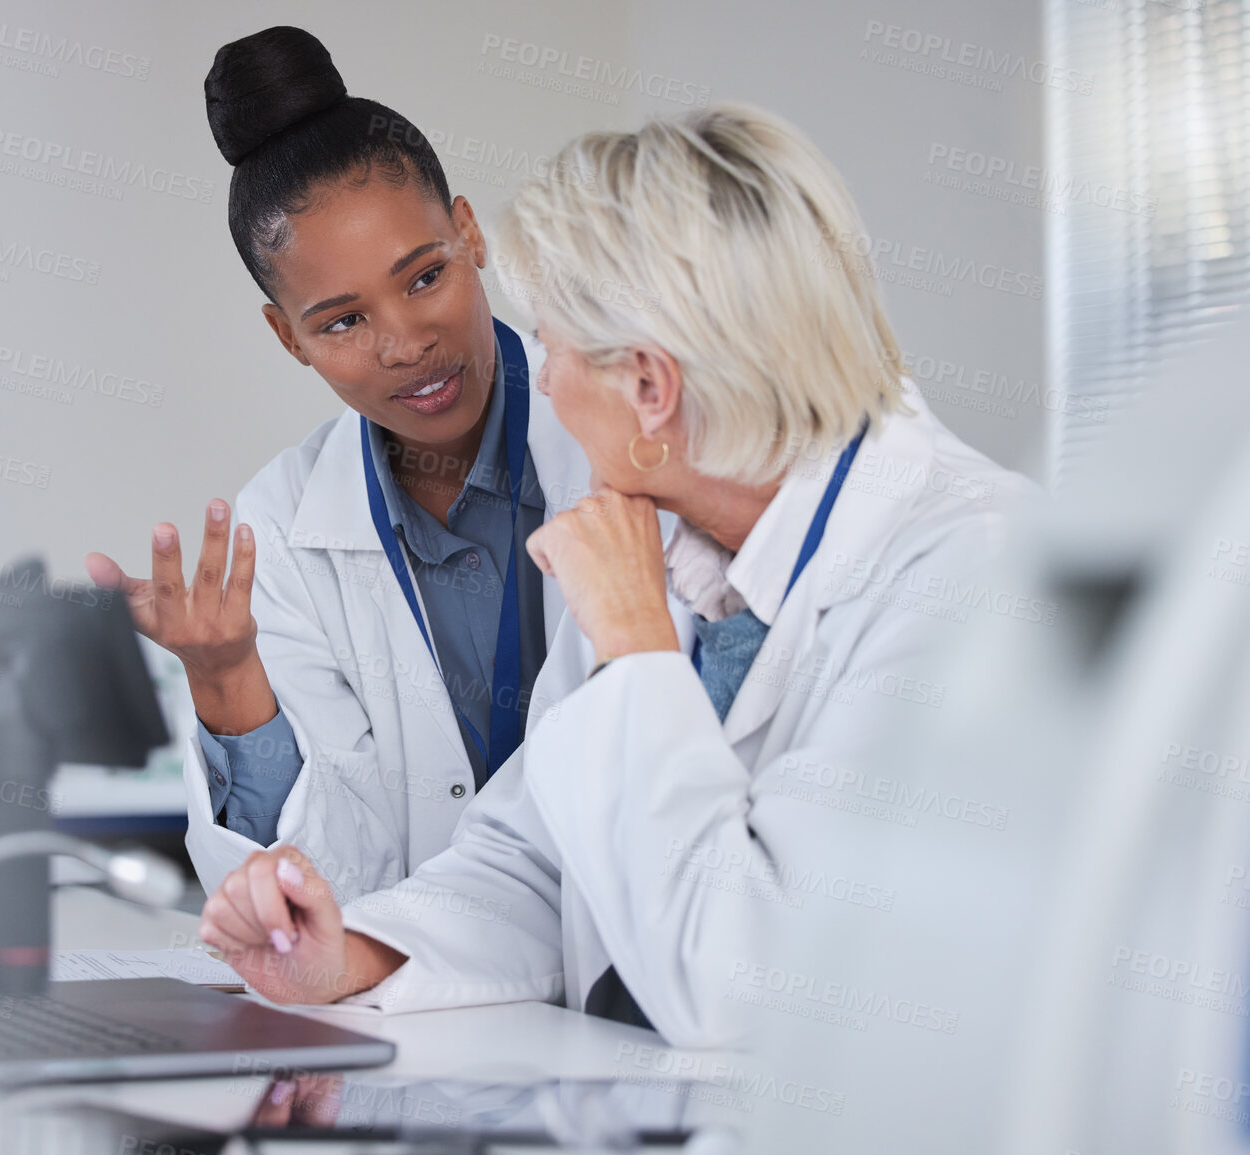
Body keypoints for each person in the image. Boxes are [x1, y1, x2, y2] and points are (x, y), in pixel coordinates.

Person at [195, 103, 1035, 1046]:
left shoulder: (971, 573)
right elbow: (532, 860)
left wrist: (637, 656)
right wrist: (351, 954)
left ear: (648, 387)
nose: (539, 383)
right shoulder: (678, 550)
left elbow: (747, 983)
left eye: (550, 343)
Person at [83, 28, 615, 903]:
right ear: (286, 336)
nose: (405, 344)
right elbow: (319, 893)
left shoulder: (620, 429)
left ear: (470, 233)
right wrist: (226, 683)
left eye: (422, 277)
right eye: (340, 322)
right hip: (429, 1002)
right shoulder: (281, 532)